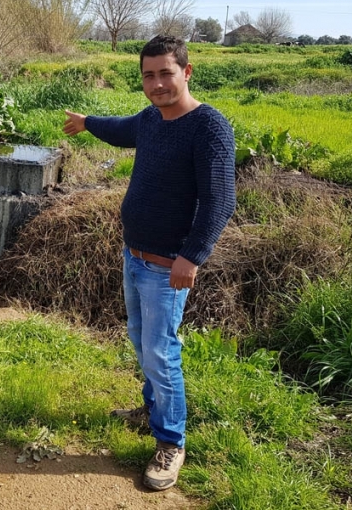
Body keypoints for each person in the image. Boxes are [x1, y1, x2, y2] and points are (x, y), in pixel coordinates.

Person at [63, 35, 236, 491]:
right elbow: (122, 129)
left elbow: (220, 201)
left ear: (187, 71)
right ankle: (154, 408)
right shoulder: (151, 119)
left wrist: (192, 256)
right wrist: (87, 122)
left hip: (167, 266)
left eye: (166, 73)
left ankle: (171, 442)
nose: (157, 83)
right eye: (149, 75)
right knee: (142, 342)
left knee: (162, 352)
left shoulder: (209, 127)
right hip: (134, 255)